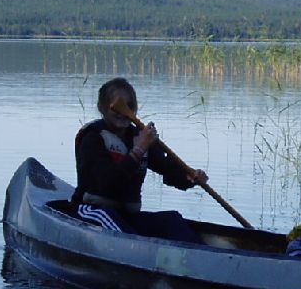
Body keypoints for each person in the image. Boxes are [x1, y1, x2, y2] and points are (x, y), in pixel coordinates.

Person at [72, 77, 209, 242]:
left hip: (128, 216)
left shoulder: (138, 136)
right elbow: (107, 182)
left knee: (172, 221)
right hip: (94, 210)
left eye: (129, 106)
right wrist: (138, 150)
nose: (122, 113)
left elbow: (166, 169)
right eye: (116, 106)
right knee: (125, 237)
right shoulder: (93, 138)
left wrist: (190, 177)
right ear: (101, 108)